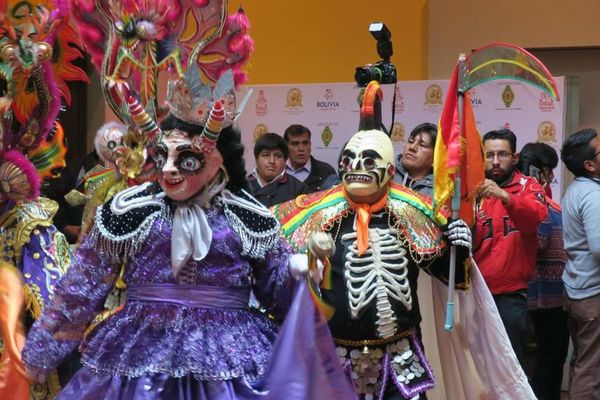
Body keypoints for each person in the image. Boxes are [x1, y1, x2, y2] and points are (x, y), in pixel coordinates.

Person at [21, 87, 304, 398]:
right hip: (143, 348)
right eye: (161, 155)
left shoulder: (247, 213)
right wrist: (41, 353)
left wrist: (297, 271)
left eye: (187, 159)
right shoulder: (129, 209)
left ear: (217, 161)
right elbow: (82, 286)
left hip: (230, 355)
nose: (168, 168)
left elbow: (277, 293)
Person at [272, 82, 536, 399]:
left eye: (368, 161)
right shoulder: (318, 211)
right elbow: (276, 268)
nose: (356, 168)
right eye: (349, 161)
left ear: (389, 169)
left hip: (400, 358)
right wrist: (301, 262)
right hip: (336, 355)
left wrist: (459, 245)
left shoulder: (412, 210)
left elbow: (449, 274)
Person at [473, 129, 548, 369]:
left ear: (514, 157)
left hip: (511, 296)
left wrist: (506, 196)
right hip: (474, 293)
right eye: (489, 155)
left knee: (511, 366)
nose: (495, 161)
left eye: (502, 154)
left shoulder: (530, 186)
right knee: (477, 365)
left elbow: (533, 219)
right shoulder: (471, 190)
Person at [517, 142, 568, 400]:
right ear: (541, 171)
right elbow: (536, 243)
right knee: (545, 362)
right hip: (542, 299)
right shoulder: (536, 202)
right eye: (549, 171)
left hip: (548, 298)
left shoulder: (542, 201)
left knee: (546, 361)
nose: (551, 177)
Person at [560, 128, 600, 400]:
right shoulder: (593, 196)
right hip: (592, 295)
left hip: (577, 290)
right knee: (591, 369)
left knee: (583, 362)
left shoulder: (578, 188)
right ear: (590, 164)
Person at [248, 133, 306, 208]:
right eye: (266, 155)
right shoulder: (241, 186)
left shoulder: (299, 189)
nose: (272, 161)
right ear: (256, 159)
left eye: (278, 156)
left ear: (285, 161)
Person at [283, 124, 336, 193]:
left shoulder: (326, 171)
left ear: (310, 145)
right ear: (286, 146)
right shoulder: (277, 171)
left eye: (305, 143)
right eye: (295, 144)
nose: (301, 149)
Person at [393, 122, 437, 197]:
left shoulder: (441, 191)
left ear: (435, 157)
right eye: (411, 141)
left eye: (422, 145)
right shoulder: (388, 172)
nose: (412, 147)